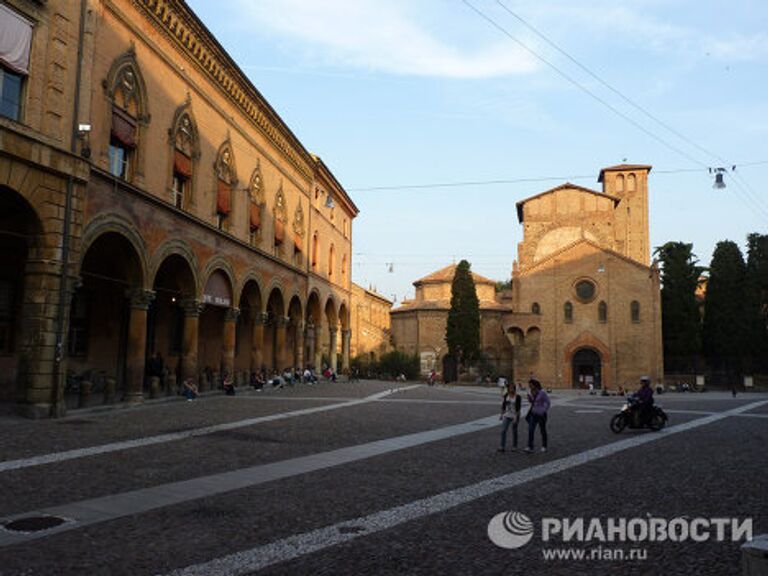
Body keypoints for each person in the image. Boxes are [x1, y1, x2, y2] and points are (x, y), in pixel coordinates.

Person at [524, 378, 550, 453]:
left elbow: (547, 402)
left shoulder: (542, 392)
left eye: (531, 385)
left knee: (542, 430)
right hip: (533, 413)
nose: (530, 387)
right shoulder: (531, 392)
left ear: (535, 385)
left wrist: (543, 410)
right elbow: (532, 402)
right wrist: (529, 398)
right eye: (529, 385)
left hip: (541, 415)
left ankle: (544, 446)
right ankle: (530, 446)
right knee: (530, 430)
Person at [497, 382, 521, 452]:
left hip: (515, 415)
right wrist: (501, 414)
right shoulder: (506, 395)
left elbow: (518, 408)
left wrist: (516, 417)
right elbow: (503, 405)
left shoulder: (518, 397)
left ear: (514, 389)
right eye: (509, 388)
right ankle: (502, 446)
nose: (511, 389)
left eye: (512, 388)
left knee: (514, 431)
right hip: (507, 415)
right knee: (503, 430)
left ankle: (515, 446)